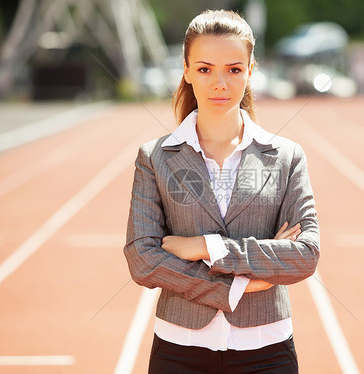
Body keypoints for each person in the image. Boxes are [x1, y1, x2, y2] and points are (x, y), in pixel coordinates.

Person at [124, 9, 320, 374]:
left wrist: (207, 247)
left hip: (268, 348)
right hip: (178, 348)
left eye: (233, 69)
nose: (220, 83)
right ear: (186, 70)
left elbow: (305, 254)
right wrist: (241, 286)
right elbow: (143, 258)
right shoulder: (154, 158)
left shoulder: (287, 157)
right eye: (204, 69)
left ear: (250, 71)